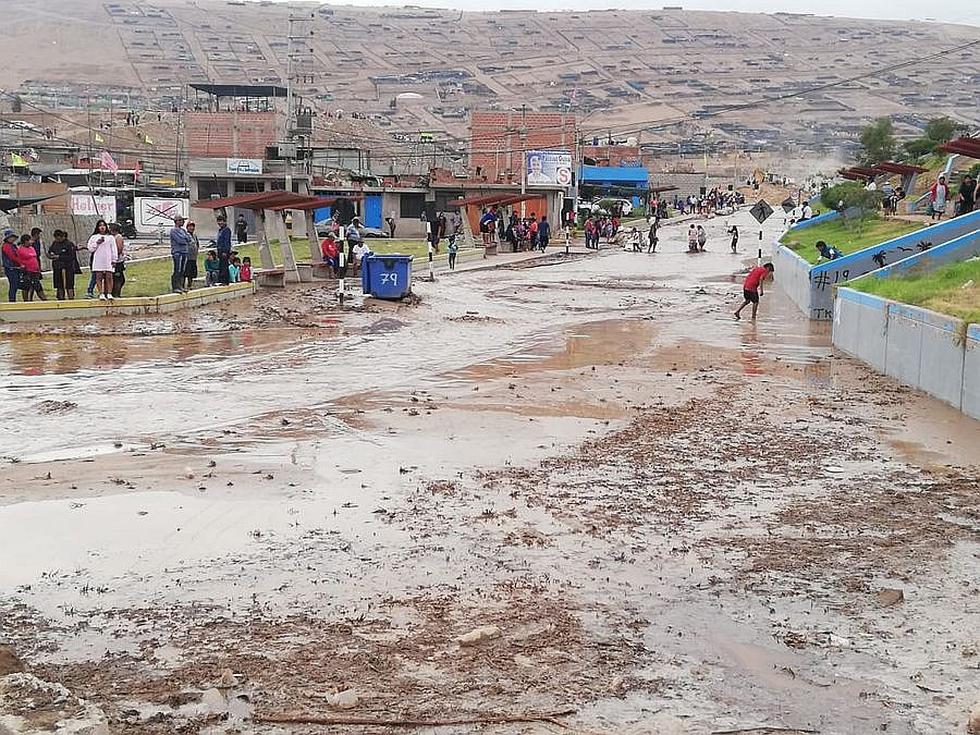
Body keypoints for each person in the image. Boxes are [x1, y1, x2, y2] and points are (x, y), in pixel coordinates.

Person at [87, 220, 116, 301]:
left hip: (108, 259)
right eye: (100, 225)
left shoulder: (110, 237)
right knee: (98, 276)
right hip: (98, 259)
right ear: (97, 227)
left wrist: (114, 260)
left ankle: (109, 293)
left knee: (109, 276)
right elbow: (90, 249)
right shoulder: (94, 237)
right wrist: (97, 242)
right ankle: (101, 293)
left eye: (104, 225)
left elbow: (114, 249)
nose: (102, 227)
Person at [48, 229, 80, 300]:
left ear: (62, 237)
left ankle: (71, 299)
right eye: (55, 238)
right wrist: (51, 255)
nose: (57, 240)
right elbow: (50, 252)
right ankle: (61, 299)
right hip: (57, 267)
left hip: (67, 267)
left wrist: (59, 257)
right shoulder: (54, 243)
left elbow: (71, 256)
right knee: (59, 285)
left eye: (58, 238)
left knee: (69, 285)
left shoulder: (69, 244)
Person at [15, 235, 45, 302]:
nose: (31, 242)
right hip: (28, 271)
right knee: (26, 287)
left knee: (37, 286)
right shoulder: (20, 249)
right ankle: (26, 300)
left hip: (35, 271)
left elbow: (34, 257)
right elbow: (18, 259)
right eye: (29, 240)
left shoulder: (32, 248)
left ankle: (43, 300)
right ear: (25, 241)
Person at [168, 216, 191, 293]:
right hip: (177, 252)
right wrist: (185, 238)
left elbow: (189, 239)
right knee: (177, 269)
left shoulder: (183, 230)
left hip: (184, 252)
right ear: (176, 221)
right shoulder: (173, 230)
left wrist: (185, 238)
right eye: (181, 220)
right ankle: (175, 286)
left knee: (182, 270)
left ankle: (180, 285)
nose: (183, 222)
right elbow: (180, 240)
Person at [2, 229, 21, 302]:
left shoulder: (13, 246)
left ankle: (13, 299)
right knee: (13, 285)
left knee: (15, 285)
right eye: (11, 237)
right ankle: (12, 300)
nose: (12, 238)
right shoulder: (6, 246)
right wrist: (21, 263)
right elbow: (12, 256)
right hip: (10, 268)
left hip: (16, 268)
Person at [109, 223, 126, 298]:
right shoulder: (111, 237)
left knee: (119, 279)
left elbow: (119, 249)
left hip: (117, 261)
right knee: (116, 278)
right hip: (113, 260)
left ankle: (116, 294)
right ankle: (114, 293)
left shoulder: (118, 237)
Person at [216, 214, 233, 284]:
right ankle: (221, 279)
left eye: (221, 221)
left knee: (224, 265)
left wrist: (225, 251)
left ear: (225, 222)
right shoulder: (220, 230)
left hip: (224, 251)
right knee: (221, 265)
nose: (220, 223)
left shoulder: (226, 230)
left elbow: (226, 241)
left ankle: (225, 280)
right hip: (220, 250)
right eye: (219, 221)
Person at [184, 221, 200, 290]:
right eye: (190, 226)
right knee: (186, 272)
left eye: (193, 226)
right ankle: (183, 285)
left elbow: (197, 244)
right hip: (187, 257)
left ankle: (190, 285)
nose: (191, 228)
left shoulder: (194, 236)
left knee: (192, 273)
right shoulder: (185, 235)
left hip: (193, 257)